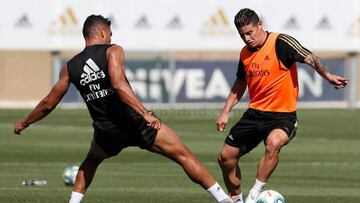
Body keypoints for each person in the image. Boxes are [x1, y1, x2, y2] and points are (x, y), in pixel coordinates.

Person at [14, 15, 233, 203]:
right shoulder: (113, 51)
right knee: (184, 156)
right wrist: (145, 113)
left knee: (90, 161)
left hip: (107, 131)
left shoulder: (70, 67)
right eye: (109, 32)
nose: (111, 37)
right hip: (134, 122)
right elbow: (118, 85)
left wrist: (25, 122)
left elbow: (48, 104)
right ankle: (223, 199)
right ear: (101, 32)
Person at [216, 8, 349, 203]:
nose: (247, 38)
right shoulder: (245, 53)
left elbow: (311, 58)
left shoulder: (280, 42)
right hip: (255, 114)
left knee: (274, 142)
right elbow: (240, 84)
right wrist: (225, 112)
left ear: (259, 24)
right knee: (225, 157)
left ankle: (254, 195)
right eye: (242, 35)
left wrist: (327, 76)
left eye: (250, 32)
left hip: (283, 116)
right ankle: (236, 199)